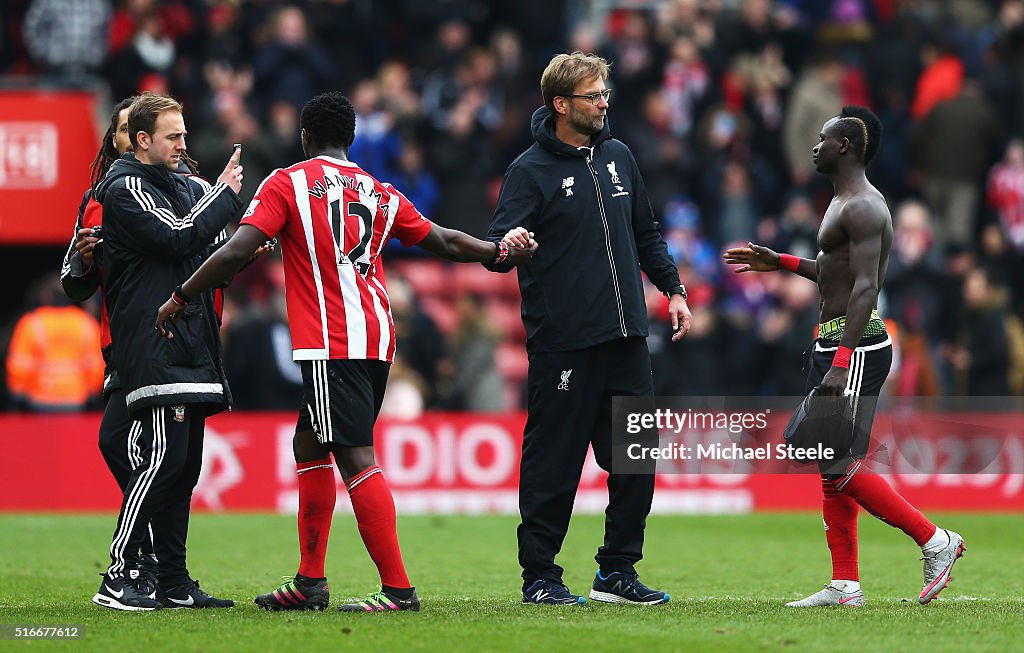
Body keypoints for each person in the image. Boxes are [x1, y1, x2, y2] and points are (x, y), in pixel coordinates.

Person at [154, 91, 536, 613]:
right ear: (351, 139)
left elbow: (240, 248)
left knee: (355, 455)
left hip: (334, 339)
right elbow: (442, 241)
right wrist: (494, 253)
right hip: (376, 332)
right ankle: (310, 582)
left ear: (305, 137)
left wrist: (181, 294)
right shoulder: (377, 190)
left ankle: (399, 590)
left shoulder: (287, 182)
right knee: (310, 447)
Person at [723, 106, 965, 607]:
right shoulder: (843, 202)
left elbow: (865, 289)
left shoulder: (865, 207)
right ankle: (844, 585)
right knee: (828, 462)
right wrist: (782, 262)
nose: (814, 146)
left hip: (852, 345)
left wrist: (840, 362)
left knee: (835, 461)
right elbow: (834, 274)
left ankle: (935, 540)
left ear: (846, 147)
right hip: (834, 341)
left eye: (822, 138)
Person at [487, 52, 691, 606]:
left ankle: (617, 572)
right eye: (593, 96)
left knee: (636, 458)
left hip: (627, 338)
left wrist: (672, 290)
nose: (604, 103)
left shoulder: (620, 157)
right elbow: (499, 246)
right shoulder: (528, 172)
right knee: (554, 465)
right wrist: (512, 247)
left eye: (605, 93)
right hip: (565, 345)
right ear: (560, 104)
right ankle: (540, 577)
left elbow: (646, 233)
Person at [91, 92, 244, 611]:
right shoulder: (124, 187)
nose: (183, 144)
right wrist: (223, 195)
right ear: (142, 140)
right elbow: (177, 236)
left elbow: (201, 245)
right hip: (154, 344)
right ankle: (121, 572)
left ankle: (173, 582)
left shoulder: (181, 187)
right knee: (159, 462)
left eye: (183, 133)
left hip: (192, 341)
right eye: (172, 136)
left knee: (183, 468)